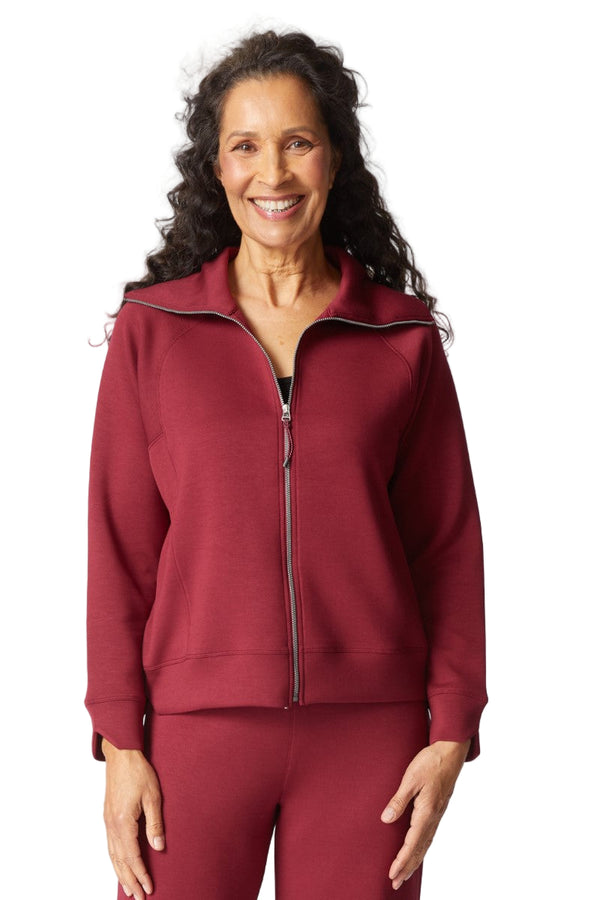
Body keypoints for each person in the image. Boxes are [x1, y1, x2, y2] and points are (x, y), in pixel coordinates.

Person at [85, 28, 487, 900]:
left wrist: (453, 728)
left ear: (333, 159)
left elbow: (447, 544)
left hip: (370, 738)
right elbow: (121, 547)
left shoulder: (402, 336)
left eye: (297, 142)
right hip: (194, 733)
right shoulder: (154, 331)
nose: (273, 172)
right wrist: (120, 741)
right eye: (246, 146)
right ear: (217, 167)